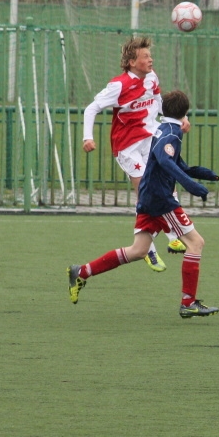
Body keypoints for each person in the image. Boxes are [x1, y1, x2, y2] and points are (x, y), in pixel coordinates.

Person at [68, 90, 219, 318]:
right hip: (161, 201)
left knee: (138, 250)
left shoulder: (165, 128)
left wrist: (205, 175)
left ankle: (82, 271)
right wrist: (191, 186)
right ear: (184, 115)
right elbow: (163, 157)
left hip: (148, 197)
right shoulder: (171, 133)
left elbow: (179, 164)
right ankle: (188, 303)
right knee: (196, 243)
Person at [81, 35, 187, 273]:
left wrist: (180, 118)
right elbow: (91, 108)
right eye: (145, 56)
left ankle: (162, 240)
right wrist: (87, 137)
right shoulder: (118, 85)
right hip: (127, 146)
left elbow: (160, 104)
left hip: (150, 141)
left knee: (167, 186)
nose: (151, 59)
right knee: (146, 190)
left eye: (150, 55)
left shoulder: (152, 78)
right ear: (131, 62)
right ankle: (163, 241)